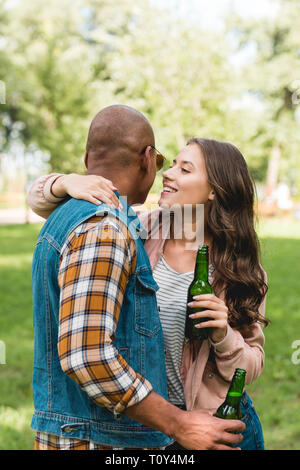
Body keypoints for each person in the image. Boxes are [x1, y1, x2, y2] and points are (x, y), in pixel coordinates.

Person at [28, 105, 245, 451]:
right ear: (146, 159)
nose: (166, 175)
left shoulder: (235, 264)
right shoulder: (122, 228)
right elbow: (87, 353)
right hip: (108, 434)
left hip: (195, 421)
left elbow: (252, 358)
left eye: (182, 168)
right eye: (165, 163)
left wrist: (224, 335)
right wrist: (63, 181)